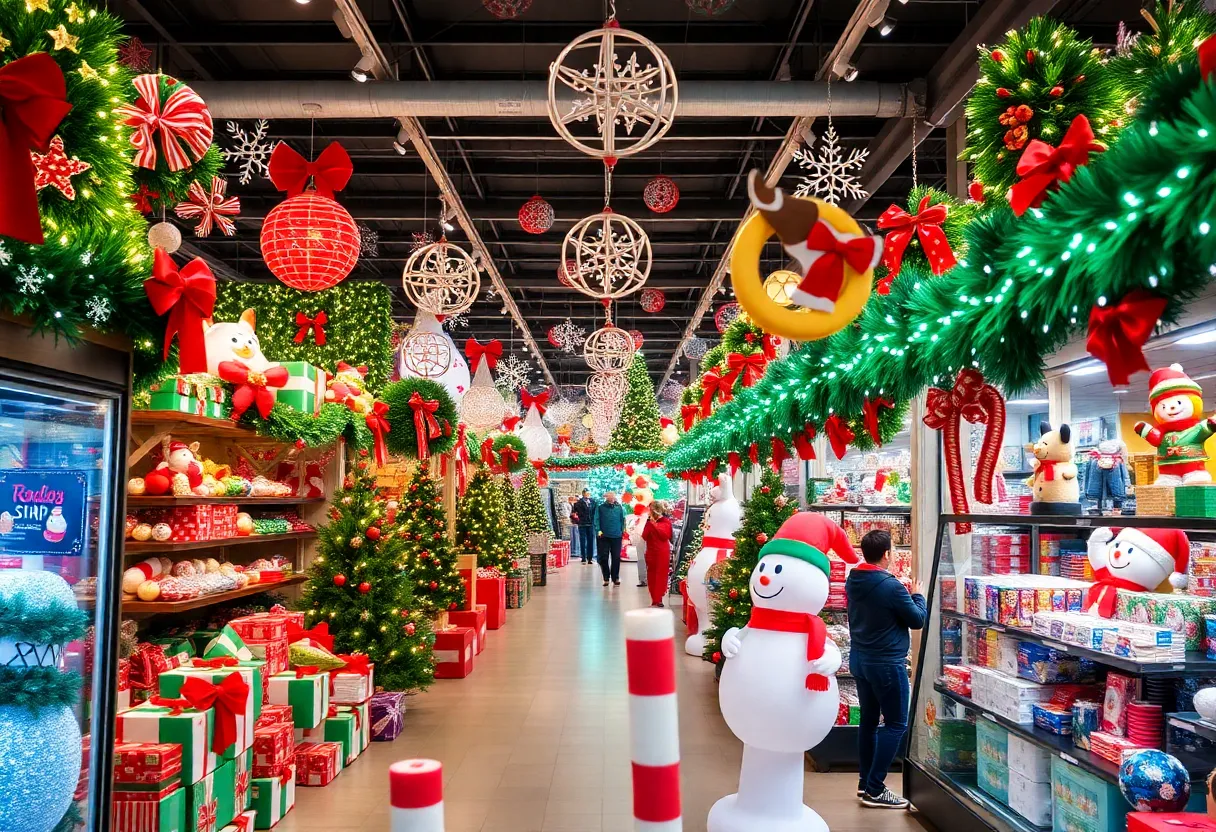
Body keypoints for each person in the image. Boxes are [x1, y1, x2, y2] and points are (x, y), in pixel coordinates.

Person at [846, 529, 925, 809]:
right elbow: (917, 621)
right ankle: (876, 789)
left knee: (868, 722)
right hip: (887, 664)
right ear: (887, 554)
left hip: (860, 659)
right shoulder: (890, 586)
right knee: (895, 724)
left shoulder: (853, 580)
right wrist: (918, 596)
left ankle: (864, 781)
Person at [640, 501, 674, 607]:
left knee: (661, 574)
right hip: (651, 552)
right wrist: (649, 524)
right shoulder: (649, 522)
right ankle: (654, 598)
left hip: (662, 552)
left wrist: (654, 525)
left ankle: (658, 598)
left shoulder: (666, 522)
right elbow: (644, 536)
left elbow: (665, 535)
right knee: (651, 574)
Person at [593, 490, 626, 587]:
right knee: (604, 557)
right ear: (606, 498)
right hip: (604, 536)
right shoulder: (600, 508)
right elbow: (596, 519)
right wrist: (598, 530)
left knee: (616, 557)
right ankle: (606, 577)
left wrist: (622, 531)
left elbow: (622, 520)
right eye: (609, 497)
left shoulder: (619, 507)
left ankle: (615, 577)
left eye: (613, 497)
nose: (612, 499)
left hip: (616, 536)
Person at [572, 489, 596, 564]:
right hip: (582, 524)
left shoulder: (593, 502)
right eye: (586, 493)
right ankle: (583, 557)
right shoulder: (578, 503)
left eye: (589, 493)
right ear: (583, 494)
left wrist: (594, 521)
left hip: (590, 524)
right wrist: (577, 521)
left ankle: (590, 558)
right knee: (582, 541)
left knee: (590, 541)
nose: (588, 495)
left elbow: (595, 512)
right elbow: (573, 514)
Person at [559, 495, 579, 561]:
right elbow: (566, 514)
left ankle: (574, 550)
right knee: (569, 536)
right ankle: (572, 551)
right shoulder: (565, 504)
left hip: (571, 522)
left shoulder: (570, 504)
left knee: (572, 536)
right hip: (568, 522)